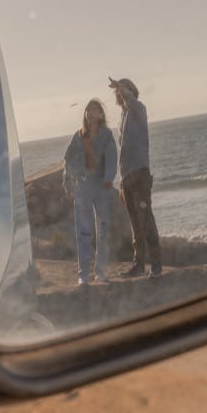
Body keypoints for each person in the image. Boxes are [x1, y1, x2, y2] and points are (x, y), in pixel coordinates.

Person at [109, 77, 162, 278]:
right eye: (118, 92)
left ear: (130, 91)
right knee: (135, 224)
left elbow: (130, 99)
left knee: (146, 219)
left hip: (140, 173)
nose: (120, 94)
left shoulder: (139, 109)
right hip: (128, 176)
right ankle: (139, 265)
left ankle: (156, 265)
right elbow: (123, 153)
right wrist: (121, 182)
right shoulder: (122, 117)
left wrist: (121, 87)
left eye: (124, 90)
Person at [63, 99, 118, 285]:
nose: (90, 112)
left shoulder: (107, 135)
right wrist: (68, 184)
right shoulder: (79, 136)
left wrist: (109, 178)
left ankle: (101, 271)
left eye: (94, 109)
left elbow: (112, 157)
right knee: (83, 232)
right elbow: (68, 161)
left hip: (101, 187)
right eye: (87, 110)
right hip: (82, 187)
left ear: (100, 114)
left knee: (103, 230)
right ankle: (83, 274)